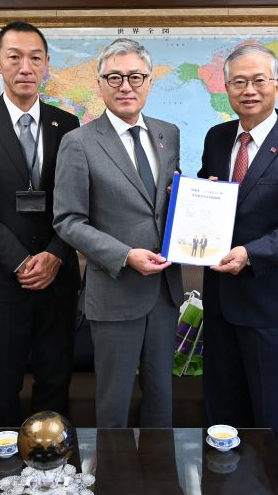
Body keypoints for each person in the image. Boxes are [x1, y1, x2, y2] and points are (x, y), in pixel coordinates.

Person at [197, 44, 278, 470]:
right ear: (226, 88)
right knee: (222, 413)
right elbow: (211, 192)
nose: (248, 90)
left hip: (272, 305)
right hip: (220, 302)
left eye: (258, 80)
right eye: (239, 81)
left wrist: (251, 253)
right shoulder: (218, 137)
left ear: (277, 84)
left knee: (271, 417)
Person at [0, 21, 81, 427]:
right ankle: (3, 475)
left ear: (46, 65)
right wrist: (24, 261)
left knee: (55, 384)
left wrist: (56, 256)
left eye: (35, 58)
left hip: (58, 281)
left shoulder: (68, 125)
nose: (25, 67)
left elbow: (77, 201)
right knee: (4, 385)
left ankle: (57, 476)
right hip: (2, 282)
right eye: (14, 57)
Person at [53, 38, 183, 428]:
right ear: (99, 83)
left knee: (162, 400)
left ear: (149, 82)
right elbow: (68, 221)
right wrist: (125, 255)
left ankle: (161, 482)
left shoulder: (168, 133)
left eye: (135, 76)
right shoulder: (78, 143)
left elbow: (165, 200)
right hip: (115, 291)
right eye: (115, 77)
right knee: (114, 403)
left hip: (165, 292)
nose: (126, 85)